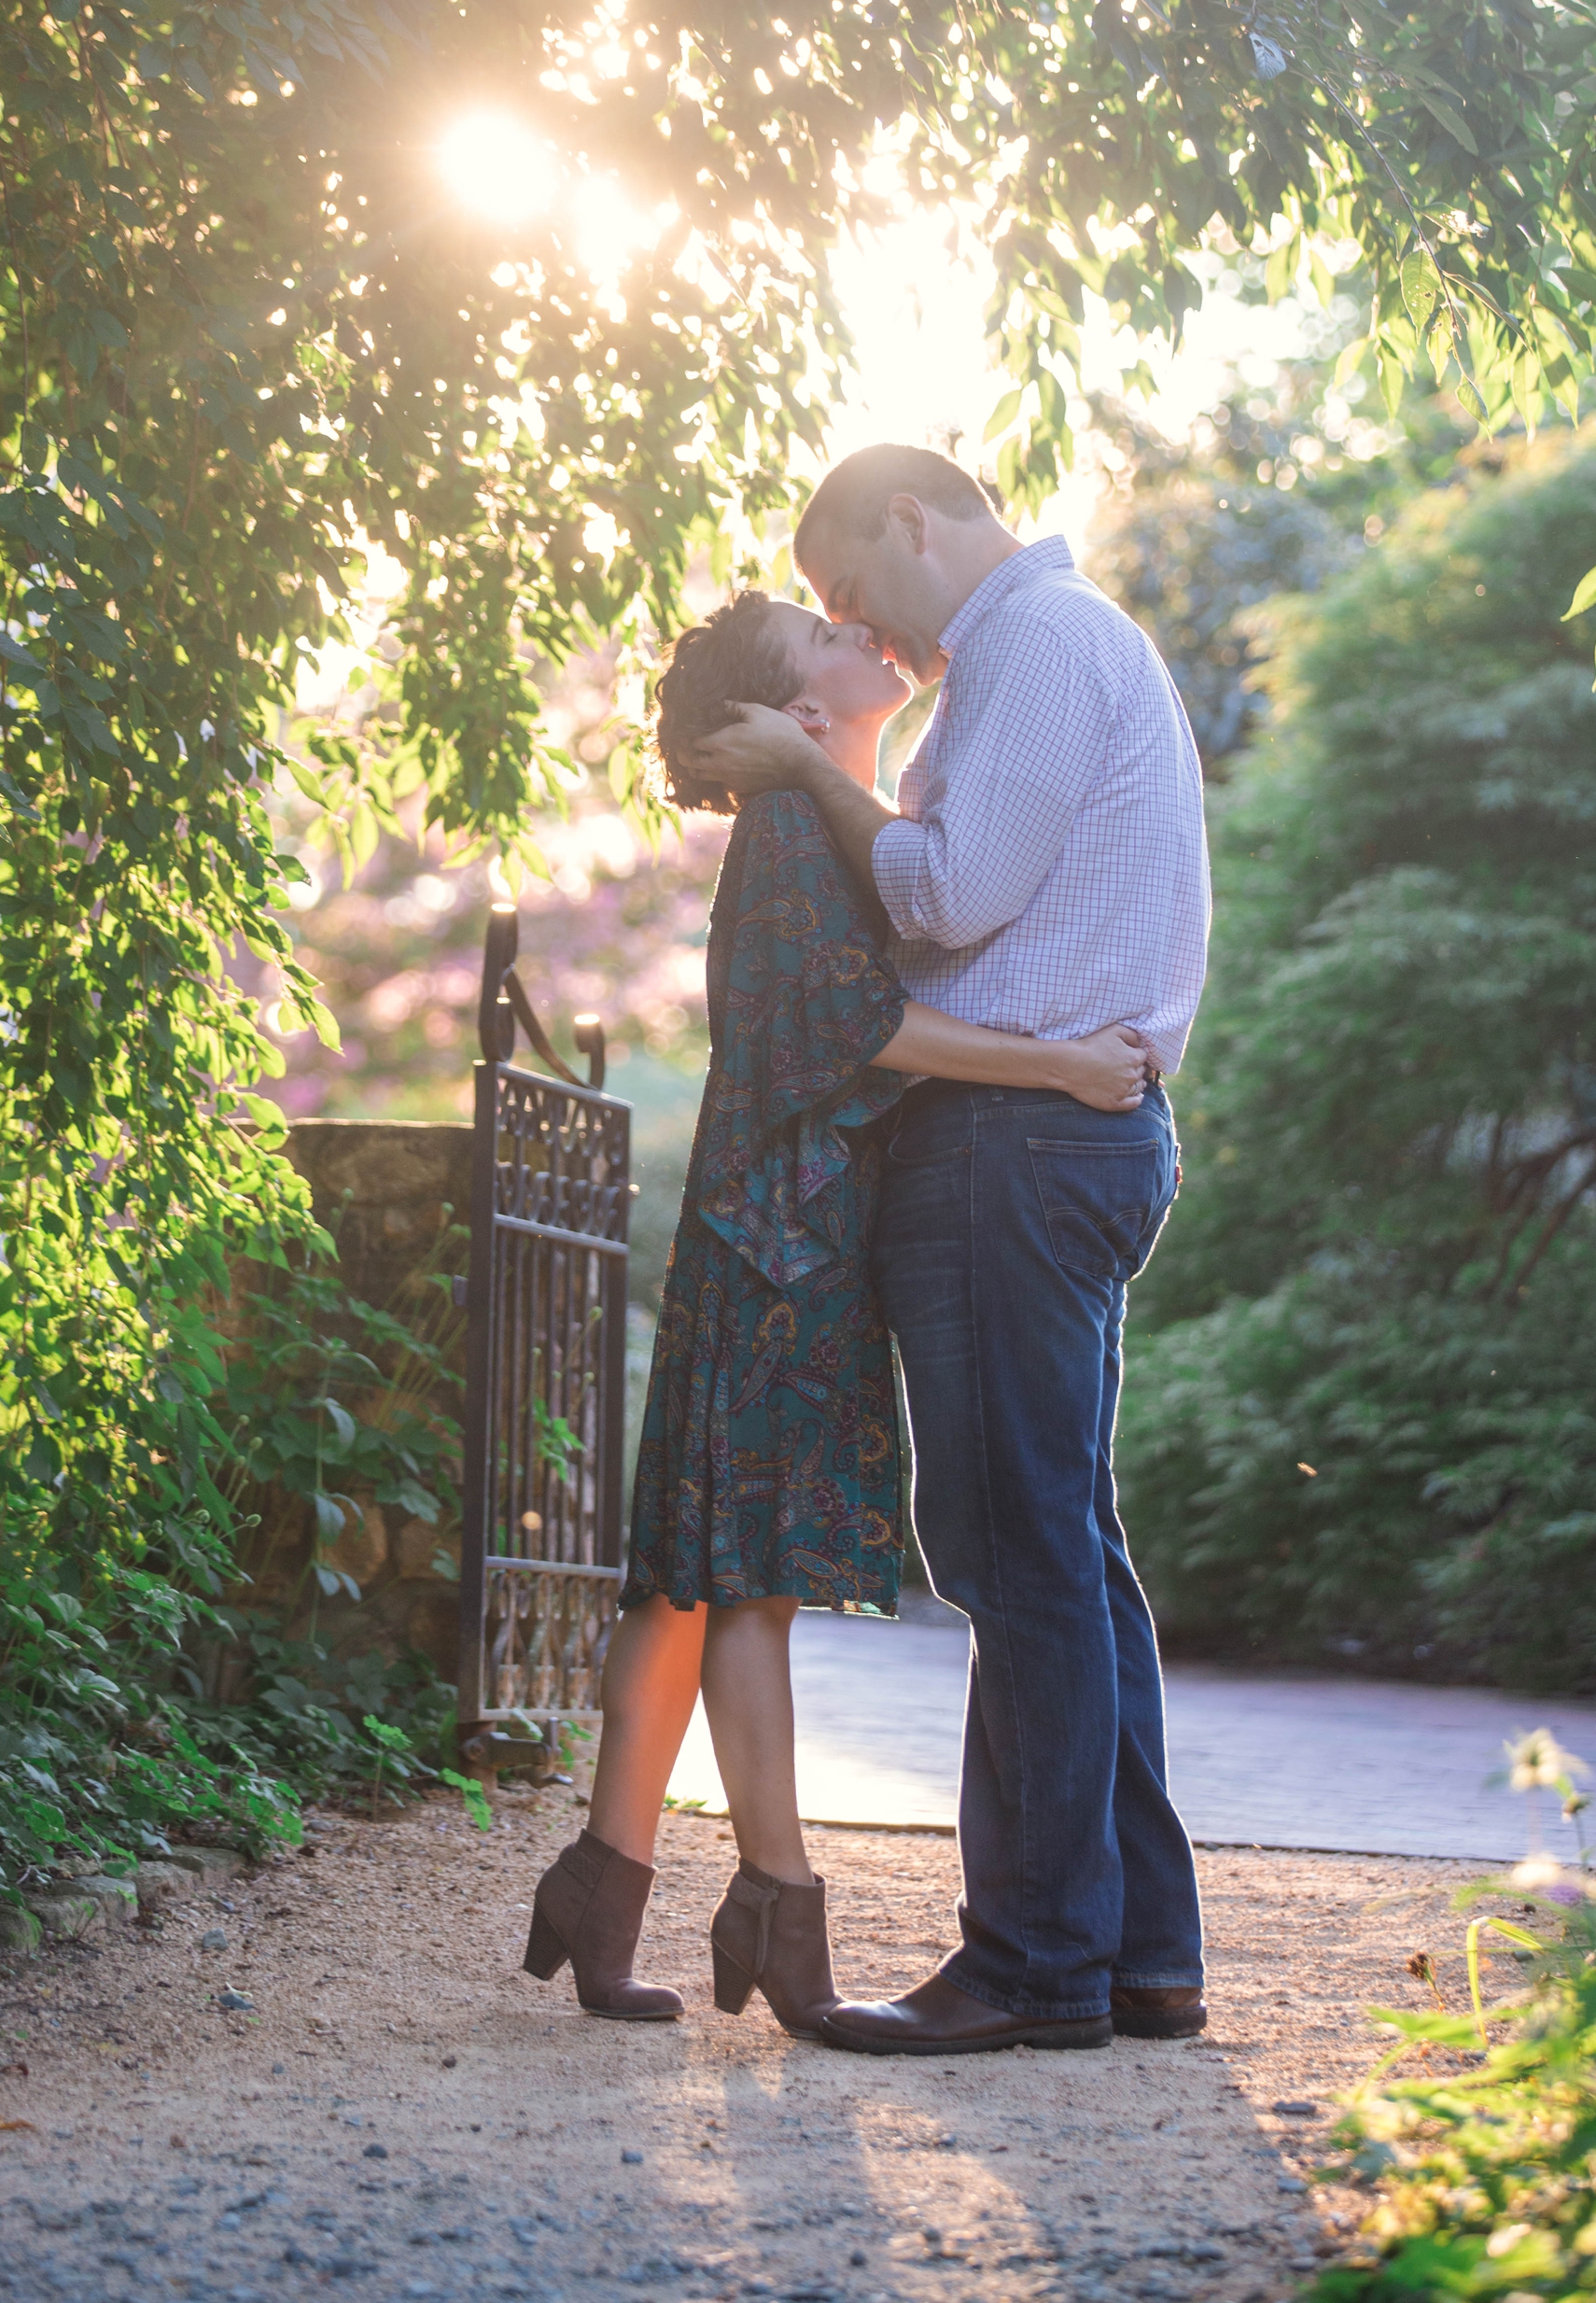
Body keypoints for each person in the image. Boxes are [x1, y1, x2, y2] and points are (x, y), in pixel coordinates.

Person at [522, 584, 1159, 2034]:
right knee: (739, 1578)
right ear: (799, 715)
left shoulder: (825, 823)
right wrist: (1060, 1066)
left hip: (777, 1239)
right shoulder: (801, 829)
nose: (862, 634)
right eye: (825, 636)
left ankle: (604, 1880)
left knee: (697, 1570)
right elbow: (854, 1033)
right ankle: (774, 1904)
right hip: (779, 1249)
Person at [687, 444, 1212, 2057]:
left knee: (1013, 1557)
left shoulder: (1038, 645)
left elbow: (946, 892)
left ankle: (1036, 1963)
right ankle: (1136, 1957)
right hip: (1050, 1139)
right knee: (1066, 1551)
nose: (871, 633)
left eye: (853, 592)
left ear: (909, 520)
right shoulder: (1037, 653)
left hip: (1017, 1151)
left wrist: (816, 771)